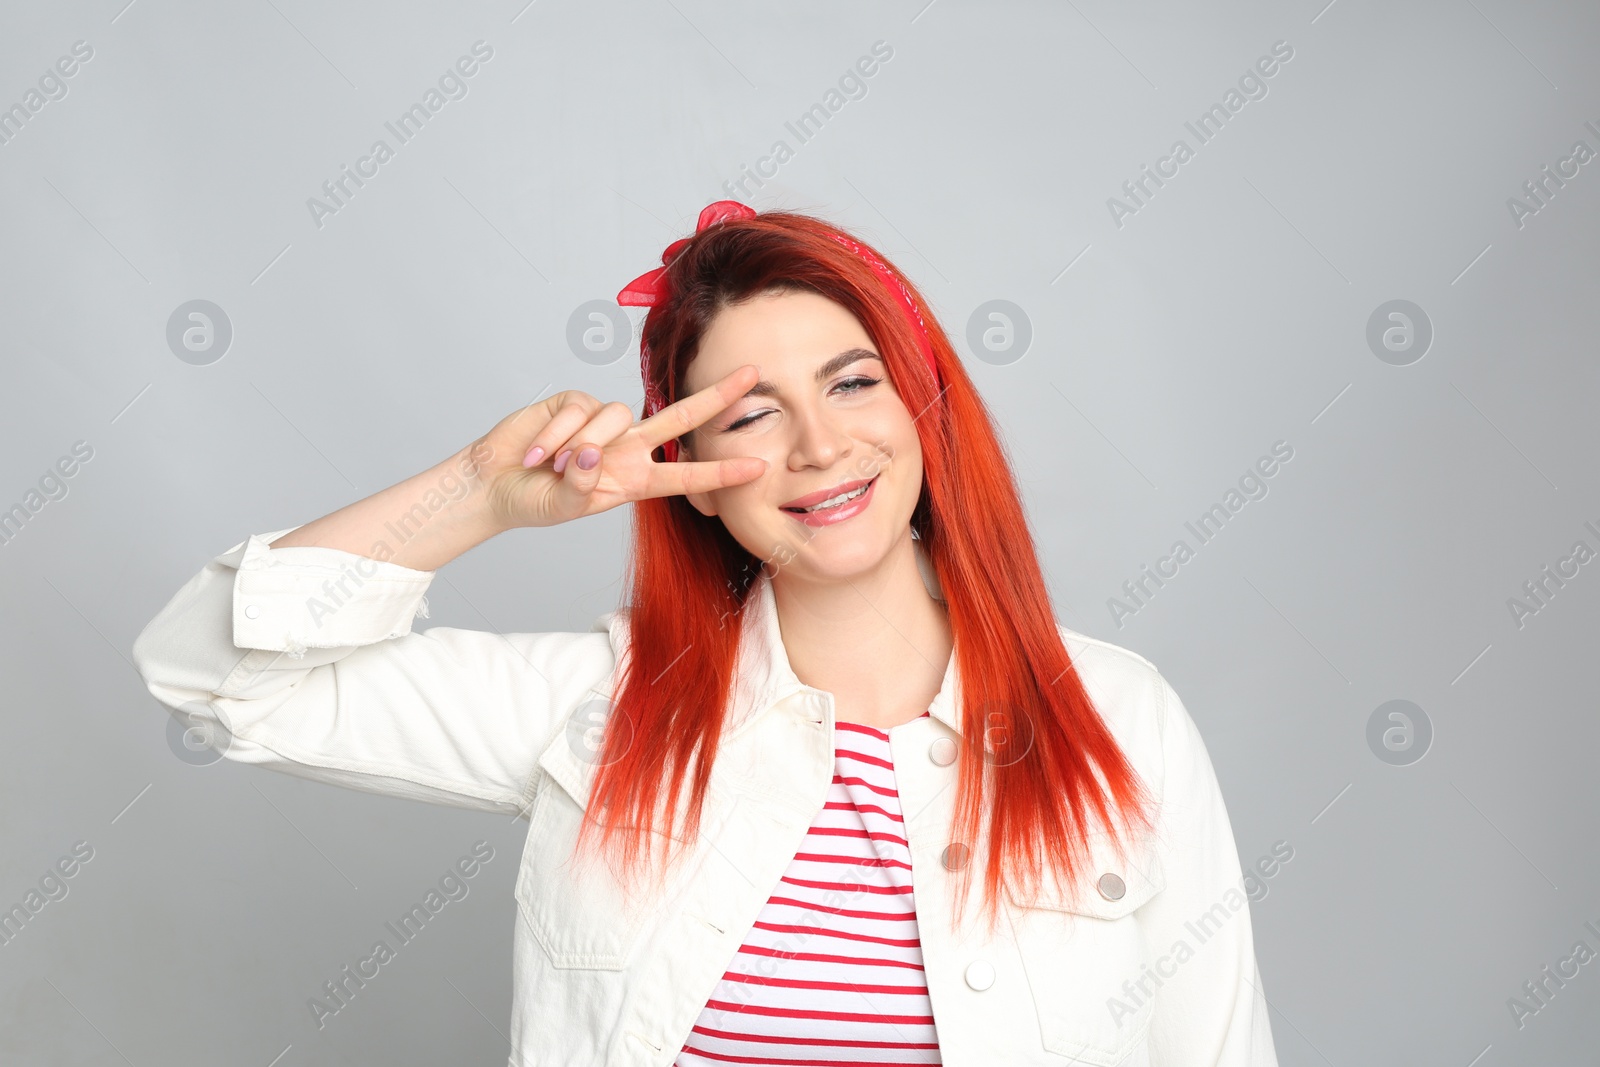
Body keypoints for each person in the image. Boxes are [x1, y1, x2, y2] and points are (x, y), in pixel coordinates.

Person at [132, 200, 1280, 1065]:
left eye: (852, 383)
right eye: (752, 414)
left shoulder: (1118, 714)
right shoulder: (600, 707)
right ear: (690, 475)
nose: (821, 448)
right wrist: (480, 491)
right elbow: (213, 671)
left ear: (924, 407)